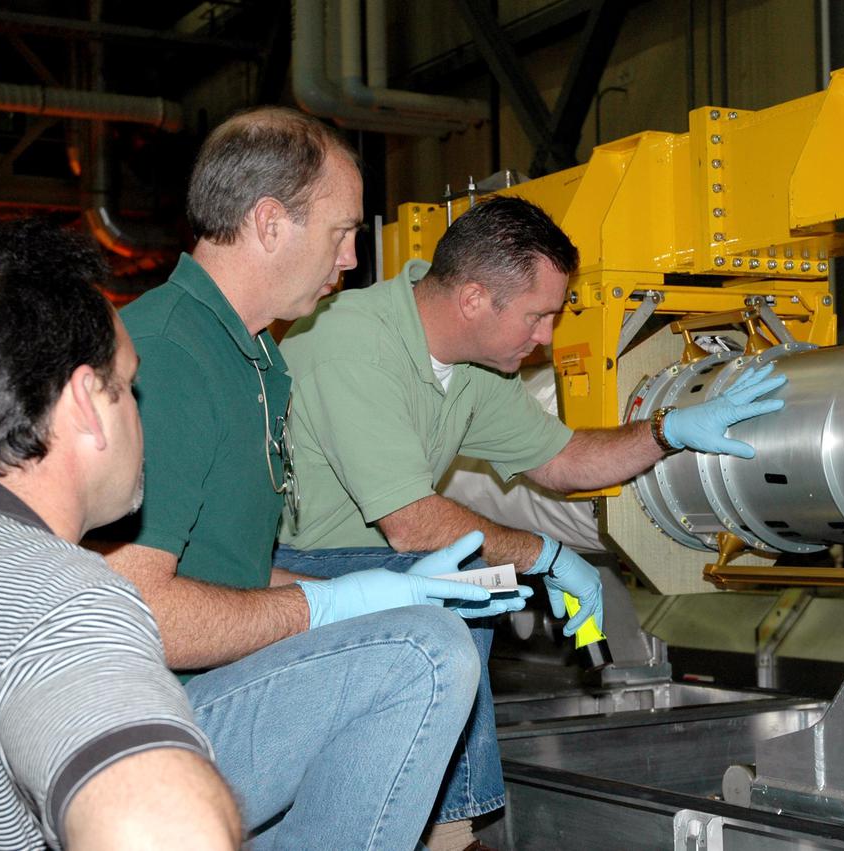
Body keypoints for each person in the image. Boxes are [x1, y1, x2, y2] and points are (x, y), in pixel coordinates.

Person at [275, 195, 787, 849]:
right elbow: (410, 522)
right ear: (472, 298)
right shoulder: (356, 345)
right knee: (463, 592)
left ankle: (445, 826)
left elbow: (563, 459)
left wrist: (669, 429)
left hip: (382, 559)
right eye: (538, 316)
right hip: (300, 566)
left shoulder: (474, 366)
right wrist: (545, 553)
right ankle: (449, 834)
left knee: (475, 582)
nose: (546, 336)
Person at [97, 106, 527, 850]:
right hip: (151, 721)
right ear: (269, 223)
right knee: (426, 650)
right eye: (342, 231)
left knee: (436, 605)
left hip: (213, 690)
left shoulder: (257, 361)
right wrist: (323, 606)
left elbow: (219, 566)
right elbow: (138, 611)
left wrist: (353, 598)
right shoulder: (166, 354)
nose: (353, 257)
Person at [0, 219, 240, 850]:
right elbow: (163, 828)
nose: (140, 413)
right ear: (85, 402)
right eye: (129, 387)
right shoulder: (61, 601)